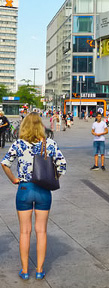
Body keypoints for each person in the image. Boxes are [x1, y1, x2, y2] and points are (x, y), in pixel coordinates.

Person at [0, 112, 66, 280]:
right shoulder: (49, 143)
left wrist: (14, 179)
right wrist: (53, 178)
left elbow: (5, 163)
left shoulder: (18, 144)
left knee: (24, 232)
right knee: (41, 231)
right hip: (44, 190)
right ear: (40, 126)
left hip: (24, 190)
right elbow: (62, 166)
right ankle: (39, 270)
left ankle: (24, 270)